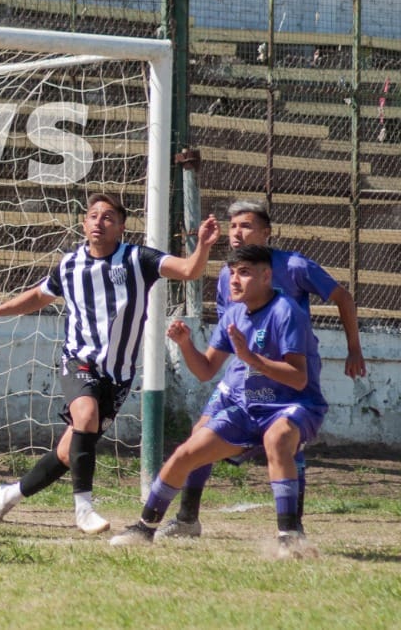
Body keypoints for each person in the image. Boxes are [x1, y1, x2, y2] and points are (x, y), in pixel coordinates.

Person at [0, 193, 220, 535]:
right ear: (84, 224)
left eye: (108, 218)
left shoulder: (137, 259)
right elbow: (39, 296)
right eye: (94, 216)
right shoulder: (69, 265)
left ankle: (9, 494)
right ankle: (83, 509)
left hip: (118, 375)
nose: (99, 222)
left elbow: (190, 270)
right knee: (85, 416)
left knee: (67, 453)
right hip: (79, 360)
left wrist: (202, 246)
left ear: (121, 227)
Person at [155, 199, 366, 539]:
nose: (237, 233)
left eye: (247, 226)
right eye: (234, 226)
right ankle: (186, 519)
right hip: (243, 371)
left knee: (283, 441)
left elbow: (343, 297)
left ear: (266, 233)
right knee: (200, 432)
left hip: (283, 370)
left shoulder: (294, 266)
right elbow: (231, 326)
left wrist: (354, 349)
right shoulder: (228, 274)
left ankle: (292, 529)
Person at [110, 244, 326, 558]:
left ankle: (289, 538)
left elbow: (298, 377)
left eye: (245, 273)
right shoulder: (235, 313)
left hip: (294, 405)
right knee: (187, 452)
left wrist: (252, 358)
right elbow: (206, 370)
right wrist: (185, 345)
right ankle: (145, 528)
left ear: (267, 276)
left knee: (277, 439)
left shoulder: (286, 311)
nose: (235, 280)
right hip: (246, 408)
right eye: (232, 273)